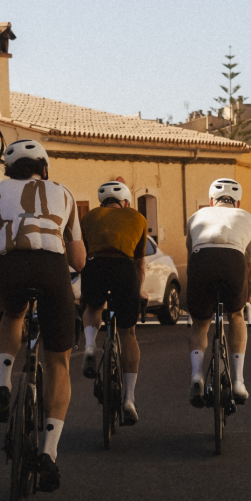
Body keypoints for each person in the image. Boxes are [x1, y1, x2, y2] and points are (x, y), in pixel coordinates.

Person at [0, 138, 85, 492]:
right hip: (51, 267)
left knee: (13, 316)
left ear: (9, 171)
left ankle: (2, 385)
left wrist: (3, 299)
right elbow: (78, 261)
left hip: (10, 266)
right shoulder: (64, 193)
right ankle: (48, 454)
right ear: (44, 169)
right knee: (58, 362)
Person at [78, 179, 148, 426]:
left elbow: (83, 252)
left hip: (95, 265)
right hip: (124, 268)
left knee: (92, 307)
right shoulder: (137, 218)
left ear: (102, 203)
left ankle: (89, 346)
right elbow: (139, 263)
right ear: (126, 202)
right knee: (128, 333)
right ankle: (129, 398)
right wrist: (140, 291)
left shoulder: (89, 217)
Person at [184, 177, 251, 407]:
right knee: (236, 315)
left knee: (200, 323)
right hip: (233, 262)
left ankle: (197, 375)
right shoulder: (248, 218)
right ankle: (238, 382)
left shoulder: (196, 216)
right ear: (238, 202)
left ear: (211, 201)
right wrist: (247, 296)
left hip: (201, 261)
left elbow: (190, 263)